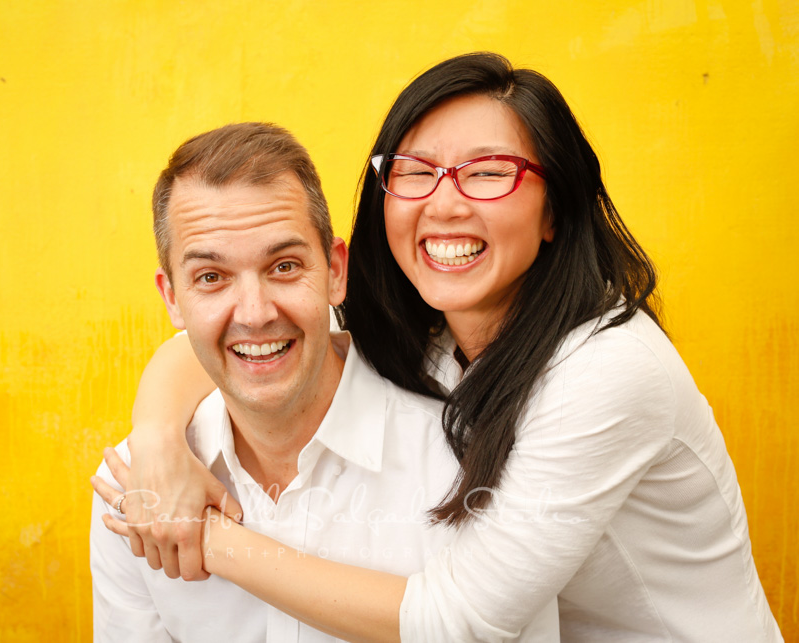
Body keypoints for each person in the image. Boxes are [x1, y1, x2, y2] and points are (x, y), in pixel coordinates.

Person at [93, 54, 783, 641]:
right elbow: (243, 339)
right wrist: (156, 443)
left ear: (554, 210)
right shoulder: (428, 331)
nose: (445, 204)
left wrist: (200, 535)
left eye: (488, 172)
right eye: (417, 171)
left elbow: (458, 618)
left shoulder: (607, 372)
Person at [90, 122, 559, 641]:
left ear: (336, 271)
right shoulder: (135, 486)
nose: (255, 312)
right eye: (211, 277)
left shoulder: (465, 463)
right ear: (172, 298)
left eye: (285, 266)